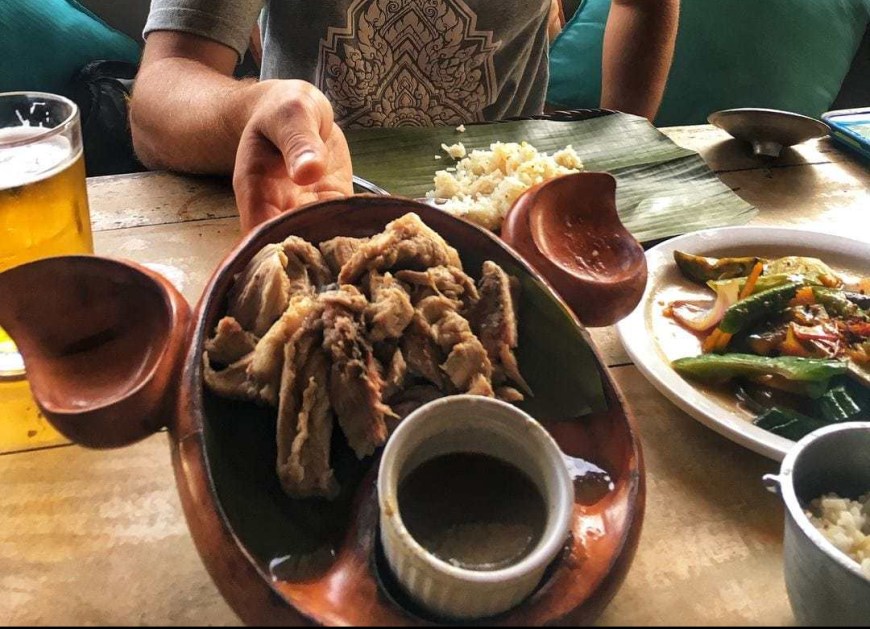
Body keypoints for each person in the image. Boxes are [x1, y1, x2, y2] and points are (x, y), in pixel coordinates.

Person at [130, 0, 679, 232]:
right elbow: (159, 94)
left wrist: (619, 139)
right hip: (311, 216)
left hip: (514, 232)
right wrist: (251, 107)